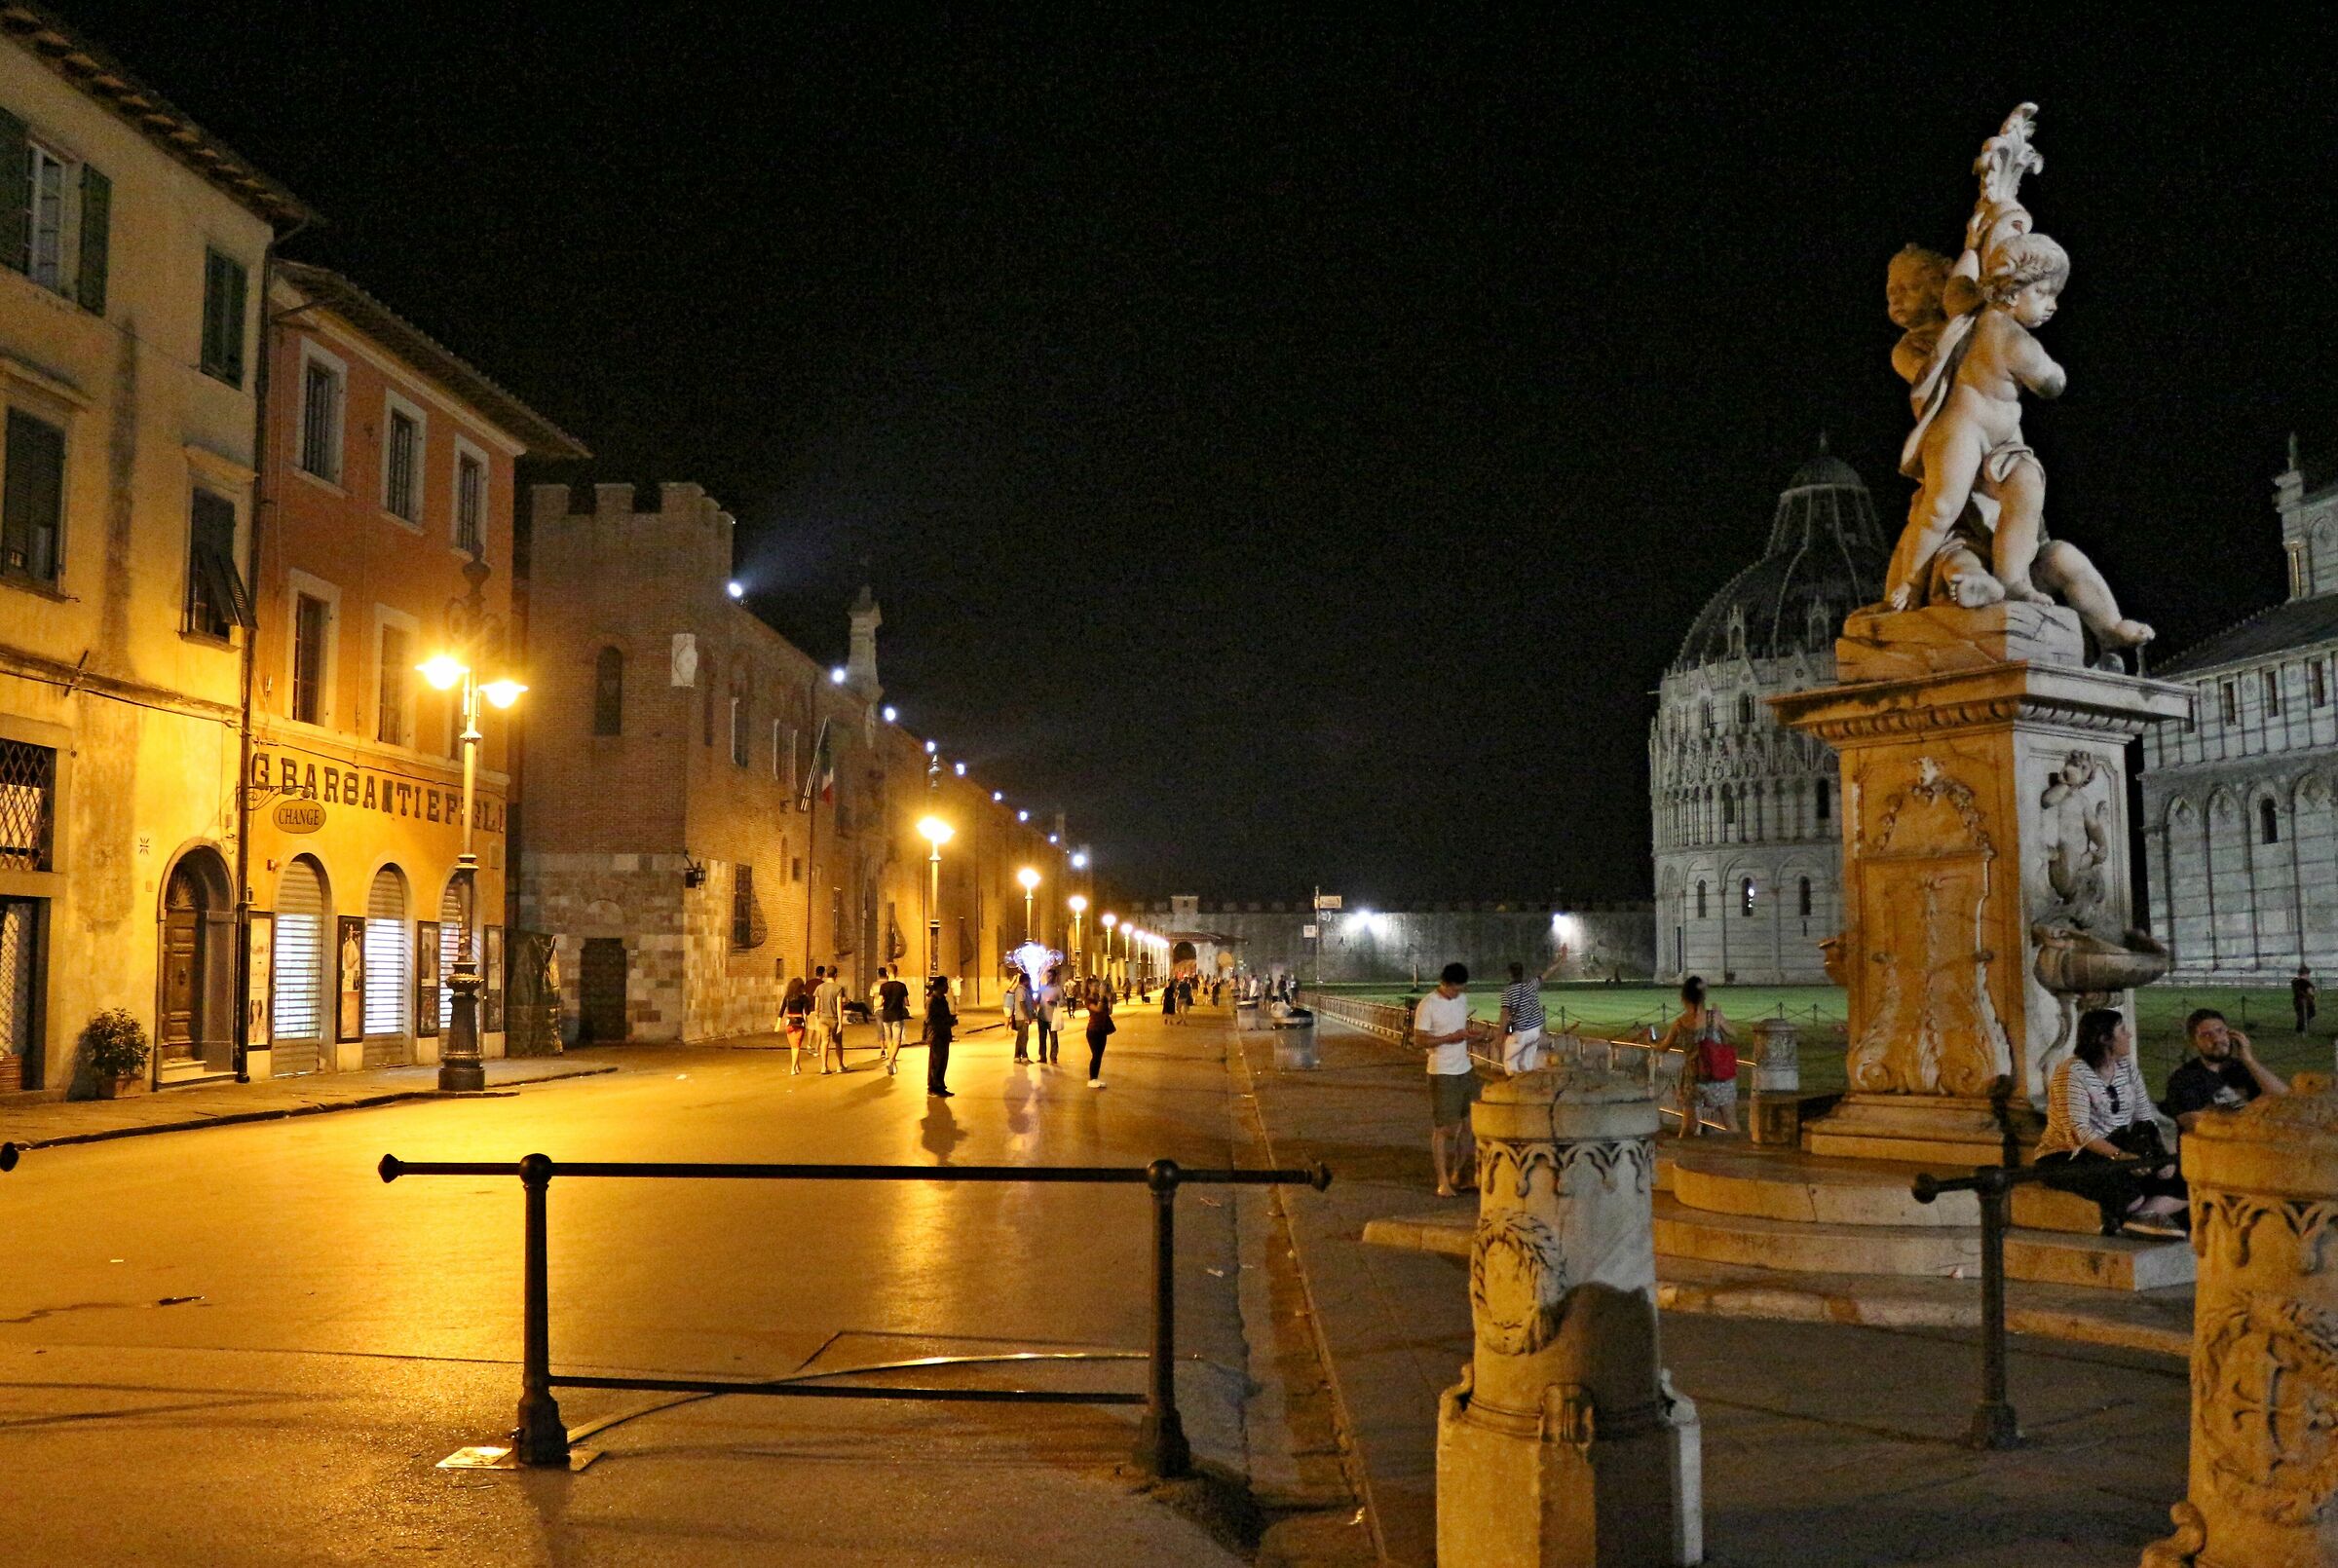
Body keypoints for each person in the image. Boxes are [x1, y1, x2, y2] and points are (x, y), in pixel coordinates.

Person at [2037, 1008, 2185, 1236]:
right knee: (2127, 1189)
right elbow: (2079, 1131)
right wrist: (2120, 1156)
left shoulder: (2127, 1069)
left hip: (2119, 1146)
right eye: (2122, 1031)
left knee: (2181, 1180)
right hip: (2071, 1155)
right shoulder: (2072, 1072)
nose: (2129, 1036)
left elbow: (2145, 1117)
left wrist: (2163, 1156)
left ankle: (2134, 1222)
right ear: (2103, 1039)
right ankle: (2142, 1219)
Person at [1414, 962, 1479, 1199]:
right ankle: (1442, 1181)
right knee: (1445, 1129)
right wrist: (1451, 1038)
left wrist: (1472, 1038)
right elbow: (1419, 1041)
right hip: (1442, 1072)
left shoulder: (1461, 1000)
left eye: (1461, 989)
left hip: (1465, 1068)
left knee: (1471, 1124)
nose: (1458, 994)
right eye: (1455, 989)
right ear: (1444, 984)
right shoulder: (1428, 1005)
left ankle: (1459, 1174)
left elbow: (1459, 1031)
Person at [2165, 1008, 2288, 1133]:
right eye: (2206, 1035)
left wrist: (2250, 1060)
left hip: (2252, 1142)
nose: (2217, 1039)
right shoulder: (2183, 1079)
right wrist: (2255, 1114)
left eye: (2220, 1031)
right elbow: (2196, 1125)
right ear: (2194, 1043)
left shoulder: (2243, 1069)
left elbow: (2285, 1099)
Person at [1655, 977, 1739, 1138]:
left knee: (1688, 1128)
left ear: (1683, 998)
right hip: (1718, 1078)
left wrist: (1651, 1042)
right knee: (1731, 1124)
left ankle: (1684, 1156)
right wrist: (1719, 1016)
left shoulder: (1679, 1023)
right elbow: (1733, 1034)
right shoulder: (1713, 1017)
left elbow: (1663, 1047)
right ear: (1703, 997)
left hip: (1693, 1079)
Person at [1496, 961, 1547, 1074]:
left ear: (1509, 974)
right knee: (1527, 1062)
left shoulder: (1507, 992)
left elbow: (1504, 1013)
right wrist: (1561, 960)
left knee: (1510, 1061)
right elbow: (1547, 974)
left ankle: (1515, 1086)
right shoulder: (1531, 985)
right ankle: (1528, 1084)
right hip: (1535, 1031)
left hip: (1521, 1033)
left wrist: (1499, 1036)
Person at [924, 975, 957, 1099]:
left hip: (944, 1034)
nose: (947, 987)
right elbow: (929, 1019)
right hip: (936, 1034)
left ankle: (940, 1085)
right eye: (945, 985)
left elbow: (945, 1015)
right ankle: (932, 1087)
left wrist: (951, 1021)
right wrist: (946, 1021)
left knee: (943, 1061)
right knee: (935, 1062)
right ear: (939, 986)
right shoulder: (931, 1001)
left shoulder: (943, 1000)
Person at [811, 965, 847, 1074]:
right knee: (838, 1043)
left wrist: (817, 1018)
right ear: (836, 975)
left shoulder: (819, 988)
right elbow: (839, 1006)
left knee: (824, 1042)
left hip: (822, 1018)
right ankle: (840, 1065)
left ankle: (824, 1067)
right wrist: (840, 1023)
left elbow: (816, 1006)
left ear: (826, 974)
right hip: (834, 1018)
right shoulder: (838, 988)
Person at [878, 967, 913, 1075]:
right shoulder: (901, 986)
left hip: (886, 1016)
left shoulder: (883, 986)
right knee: (897, 1040)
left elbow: (879, 1003)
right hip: (897, 1016)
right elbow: (906, 1002)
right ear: (897, 972)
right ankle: (891, 1061)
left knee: (889, 1040)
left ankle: (892, 1065)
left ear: (888, 973)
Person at [1085, 984, 1116, 1088]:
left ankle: (1095, 1078)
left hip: (1102, 1029)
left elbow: (1110, 1011)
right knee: (1096, 1055)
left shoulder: (1101, 998)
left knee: (1099, 1055)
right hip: (1093, 1030)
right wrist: (1102, 996)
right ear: (1089, 987)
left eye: (1097, 986)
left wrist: (1109, 999)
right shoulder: (1089, 1000)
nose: (1096, 988)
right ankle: (1092, 1079)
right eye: (1093, 986)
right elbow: (1098, 1009)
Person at [779, 976, 811, 1075]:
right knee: (796, 1046)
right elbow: (807, 1012)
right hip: (799, 1023)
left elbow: (781, 1011)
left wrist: (778, 1024)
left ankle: (797, 1066)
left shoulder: (787, 997)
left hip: (789, 1023)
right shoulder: (803, 998)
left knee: (794, 1046)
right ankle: (793, 1068)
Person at [1004, 970, 1034, 1064]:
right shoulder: (1021, 990)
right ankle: (1023, 1056)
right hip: (1022, 1018)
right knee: (1024, 1037)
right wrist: (1026, 1016)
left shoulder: (1025, 990)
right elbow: (1022, 1004)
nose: (1029, 983)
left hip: (1022, 1017)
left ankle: (1017, 1056)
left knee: (1021, 1037)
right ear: (1025, 981)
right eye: (1029, 981)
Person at [1037, 968, 1063, 1065]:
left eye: (1050, 976)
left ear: (1054, 977)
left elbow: (1062, 1001)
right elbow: (1037, 1000)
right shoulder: (1042, 988)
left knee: (1053, 1038)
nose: (1048, 978)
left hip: (1053, 1018)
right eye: (1047, 976)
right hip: (1042, 1016)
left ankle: (1053, 1056)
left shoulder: (1058, 989)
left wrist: (1055, 1002)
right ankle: (1042, 1056)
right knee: (1042, 1038)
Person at [2296, 968, 2320, 1035]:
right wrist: (2314, 993)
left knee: (2301, 1016)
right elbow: (2310, 992)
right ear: (2305, 974)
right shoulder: (2306, 983)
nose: (2308, 976)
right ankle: (2303, 1030)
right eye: (2308, 974)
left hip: (2297, 1001)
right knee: (2308, 1015)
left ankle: (2300, 1030)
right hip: (2307, 1002)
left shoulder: (2296, 982)